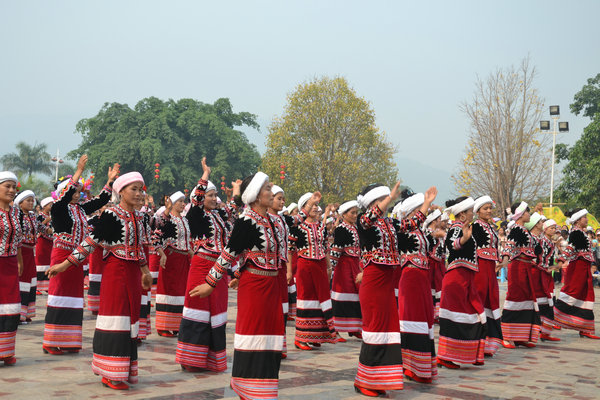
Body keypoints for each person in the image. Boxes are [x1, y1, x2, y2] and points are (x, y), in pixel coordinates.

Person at [48, 172, 153, 390]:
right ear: (121, 191)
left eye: (140, 189)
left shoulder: (141, 217)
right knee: (115, 319)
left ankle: (123, 369)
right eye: (133, 189)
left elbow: (140, 248)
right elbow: (91, 241)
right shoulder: (111, 214)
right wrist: (65, 264)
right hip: (115, 271)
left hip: (134, 274)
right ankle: (110, 372)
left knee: (131, 319)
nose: (138, 193)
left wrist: (145, 271)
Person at [190, 172, 287, 400]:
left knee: (272, 336)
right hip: (254, 287)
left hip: (272, 286)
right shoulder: (247, 220)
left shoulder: (272, 221)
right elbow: (230, 252)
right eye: (267, 189)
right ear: (254, 195)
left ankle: (264, 388)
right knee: (253, 335)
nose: (271, 193)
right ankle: (247, 387)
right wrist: (210, 283)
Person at [353, 182, 436, 397]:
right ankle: (364, 380)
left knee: (387, 331)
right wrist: (389, 196)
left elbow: (411, 223)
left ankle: (378, 379)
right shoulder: (364, 222)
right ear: (373, 203)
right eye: (381, 200)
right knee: (374, 329)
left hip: (387, 283)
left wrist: (426, 203)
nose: (386, 204)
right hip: (373, 282)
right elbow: (368, 218)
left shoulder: (390, 223)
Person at [44, 155, 117, 355]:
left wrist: (110, 181)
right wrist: (78, 172)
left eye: (79, 191)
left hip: (77, 258)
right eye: (73, 191)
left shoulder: (81, 209)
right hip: (61, 255)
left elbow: (102, 199)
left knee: (74, 298)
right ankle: (51, 341)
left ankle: (69, 340)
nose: (77, 195)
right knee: (59, 296)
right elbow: (65, 196)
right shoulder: (58, 208)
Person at [175, 158, 239, 372]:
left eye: (214, 195)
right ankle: (191, 359)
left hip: (219, 270)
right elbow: (196, 198)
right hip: (202, 266)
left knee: (218, 312)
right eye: (210, 195)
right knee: (198, 310)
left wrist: (237, 191)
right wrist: (205, 175)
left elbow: (233, 207)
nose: (214, 198)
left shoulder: (220, 215)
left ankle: (212, 358)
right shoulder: (196, 214)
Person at [392, 191, 439, 383]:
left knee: (424, 318)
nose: (424, 213)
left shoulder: (422, 232)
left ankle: (422, 366)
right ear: (412, 212)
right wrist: (427, 202)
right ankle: (411, 367)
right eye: (421, 210)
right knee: (412, 319)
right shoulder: (402, 231)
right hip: (410, 277)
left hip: (422, 278)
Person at [437, 196, 486, 369]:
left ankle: (463, 354)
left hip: (465, 278)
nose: (473, 213)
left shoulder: (465, 228)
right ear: (462, 214)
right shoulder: (456, 228)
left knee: (470, 314)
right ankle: (445, 355)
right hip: (457, 278)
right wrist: (464, 239)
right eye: (471, 211)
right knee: (456, 316)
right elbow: (452, 245)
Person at [291, 192, 338, 350]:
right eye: (312, 205)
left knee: (321, 299)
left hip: (319, 266)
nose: (316, 208)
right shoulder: (297, 227)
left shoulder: (322, 227)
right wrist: (289, 271)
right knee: (305, 299)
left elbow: (326, 248)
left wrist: (329, 266)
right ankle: (301, 337)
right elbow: (290, 249)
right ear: (304, 208)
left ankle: (315, 335)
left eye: (317, 205)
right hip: (305, 266)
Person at [500, 202, 541, 348]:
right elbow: (509, 244)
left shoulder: (525, 230)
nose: (529, 215)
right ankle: (506, 336)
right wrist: (505, 259)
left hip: (526, 268)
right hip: (518, 268)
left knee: (526, 299)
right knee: (514, 298)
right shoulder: (516, 229)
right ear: (522, 214)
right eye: (528, 212)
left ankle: (520, 336)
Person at [553, 209, 600, 339]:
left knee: (587, 295)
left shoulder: (581, 232)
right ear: (578, 220)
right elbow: (570, 248)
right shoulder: (576, 233)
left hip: (584, 267)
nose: (587, 219)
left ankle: (584, 327)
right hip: (577, 267)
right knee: (572, 291)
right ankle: (553, 318)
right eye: (584, 217)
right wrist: (561, 260)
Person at [155, 191, 193, 336]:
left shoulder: (185, 220)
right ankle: (163, 326)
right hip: (170, 258)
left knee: (180, 291)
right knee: (168, 290)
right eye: (180, 201)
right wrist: (162, 253)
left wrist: (192, 254)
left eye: (184, 201)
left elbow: (187, 242)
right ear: (173, 203)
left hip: (183, 260)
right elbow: (156, 237)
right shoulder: (166, 219)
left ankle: (177, 324)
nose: (183, 204)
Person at [471, 196, 503, 356]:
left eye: (490, 208)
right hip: (479, 269)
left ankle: (489, 342)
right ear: (477, 211)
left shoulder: (491, 227)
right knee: (480, 299)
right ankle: (476, 341)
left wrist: (500, 260)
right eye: (485, 208)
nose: (489, 211)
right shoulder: (475, 227)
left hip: (490, 268)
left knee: (491, 300)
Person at [330, 200, 363, 340]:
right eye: (352, 213)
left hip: (356, 265)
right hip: (343, 267)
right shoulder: (341, 229)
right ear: (344, 214)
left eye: (356, 212)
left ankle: (354, 327)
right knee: (341, 295)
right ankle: (335, 330)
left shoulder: (356, 228)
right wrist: (331, 267)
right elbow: (336, 249)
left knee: (356, 295)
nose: (355, 215)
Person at [0, 171, 23, 366]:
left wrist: (20, 261)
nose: (11, 190)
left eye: (13, 187)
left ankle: (6, 351)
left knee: (12, 308)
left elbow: (18, 239)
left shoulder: (16, 212)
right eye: (7, 186)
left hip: (10, 262)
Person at [15, 190, 39, 323]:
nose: (31, 203)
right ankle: (18, 314)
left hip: (30, 252)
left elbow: (41, 228)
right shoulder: (16, 215)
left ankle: (26, 313)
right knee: (21, 282)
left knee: (30, 282)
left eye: (32, 200)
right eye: (28, 200)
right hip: (20, 251)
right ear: (20, 202)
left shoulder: (33, 216)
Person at [35, 197, 54, 294]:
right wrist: (47, 219)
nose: (52, 206)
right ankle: (37, 287)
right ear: (44, 206)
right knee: (40, 262)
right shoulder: (40, 216)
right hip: (42, 241)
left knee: (49, 262)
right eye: (50, 204)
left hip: (51, 242)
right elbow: (38, 226)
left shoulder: (53, 215)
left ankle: (46, 285)